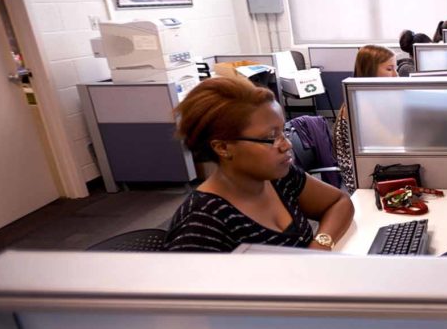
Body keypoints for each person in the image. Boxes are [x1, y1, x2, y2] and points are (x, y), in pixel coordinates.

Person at [164, 76, 354, 252]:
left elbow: (339, 202)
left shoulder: (278, 177)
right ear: (222, 147)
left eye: (283, 132)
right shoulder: (201, 223)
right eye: (271, 138)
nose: (286, 145)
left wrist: (320, 245)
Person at [334, 45, 397, 194]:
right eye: (389, 69)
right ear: (370, 71)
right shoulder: (360, 105)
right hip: (363, 179)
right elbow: (390, 141)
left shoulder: (373, 99)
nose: (396, 75)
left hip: (376, 167)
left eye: (396, 68)